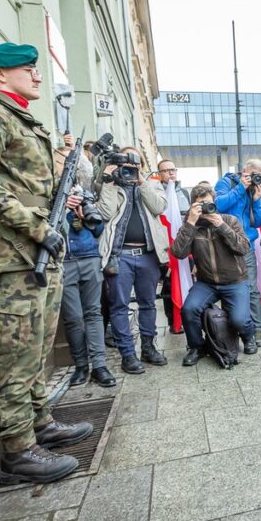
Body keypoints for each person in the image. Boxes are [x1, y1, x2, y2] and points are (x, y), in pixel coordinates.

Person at [0, 42, 92, 484]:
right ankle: (18, 448)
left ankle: (40, 425)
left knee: (37, 346)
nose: (36, 76)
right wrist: (34, 222)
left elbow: (24, 183)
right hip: (12, 254)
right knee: (16, 352)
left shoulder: (22, 120)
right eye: (27, 70)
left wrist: (55, 203)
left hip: (37, 249)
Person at [98, 146, 169, 374]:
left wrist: (141, 181)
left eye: (134, 163)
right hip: (120, 255)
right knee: (119, 306)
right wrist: (109, 181)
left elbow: (159, 206)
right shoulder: (111, 186)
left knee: (148, 303)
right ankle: (127, 354)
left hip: (148, 255)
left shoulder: (150, 183)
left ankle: (148, 347)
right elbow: (105, 214)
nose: (129, 168)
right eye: (125, 164)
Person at [172, 185, 255, 365]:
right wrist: (190, 223)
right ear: (193, 206)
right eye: (200, 204)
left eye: (208, 203)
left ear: (215, 202)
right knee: (189, 309)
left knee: (239, 319)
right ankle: (196, 347)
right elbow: (178, 253)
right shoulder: (191, 226)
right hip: (206, 282)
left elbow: (243, 248)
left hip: (235, 281)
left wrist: (221, 226)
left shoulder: (229, 220)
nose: (205, 208)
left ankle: (249, 336)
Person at [59, 138, 115, 388]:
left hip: (89, 256)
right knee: (72, 317)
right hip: (63, 260)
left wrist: (83, 211)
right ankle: (81, 366)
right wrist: (61, 209)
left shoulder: (85, 192)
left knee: (94, 313)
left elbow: (98, 229)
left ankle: (99, 365)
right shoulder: (47, 196)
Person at [214, 160, 261, 347]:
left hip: (247, 246)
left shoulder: (254, 191)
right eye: (252, 174)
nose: (253, 179)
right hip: (226, 246)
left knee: (252, 288)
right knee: (229, 289)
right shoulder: (225, 183)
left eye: (257, 176)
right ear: (244, 171)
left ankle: (258, 328)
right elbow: (218, 206)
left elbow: (257, 222)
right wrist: (240, 188)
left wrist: (257, 200)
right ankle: (231, 331)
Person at [153, 158, 189, 334]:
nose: (170, 173)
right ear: (159, 174)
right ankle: (173, 321)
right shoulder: (155, 191)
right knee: (169, 285)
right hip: (165, 245)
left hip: (184, 243)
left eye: (173, 169)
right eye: (166, 170)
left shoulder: (184, 193)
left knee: (187, 281)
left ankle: (187, 317)